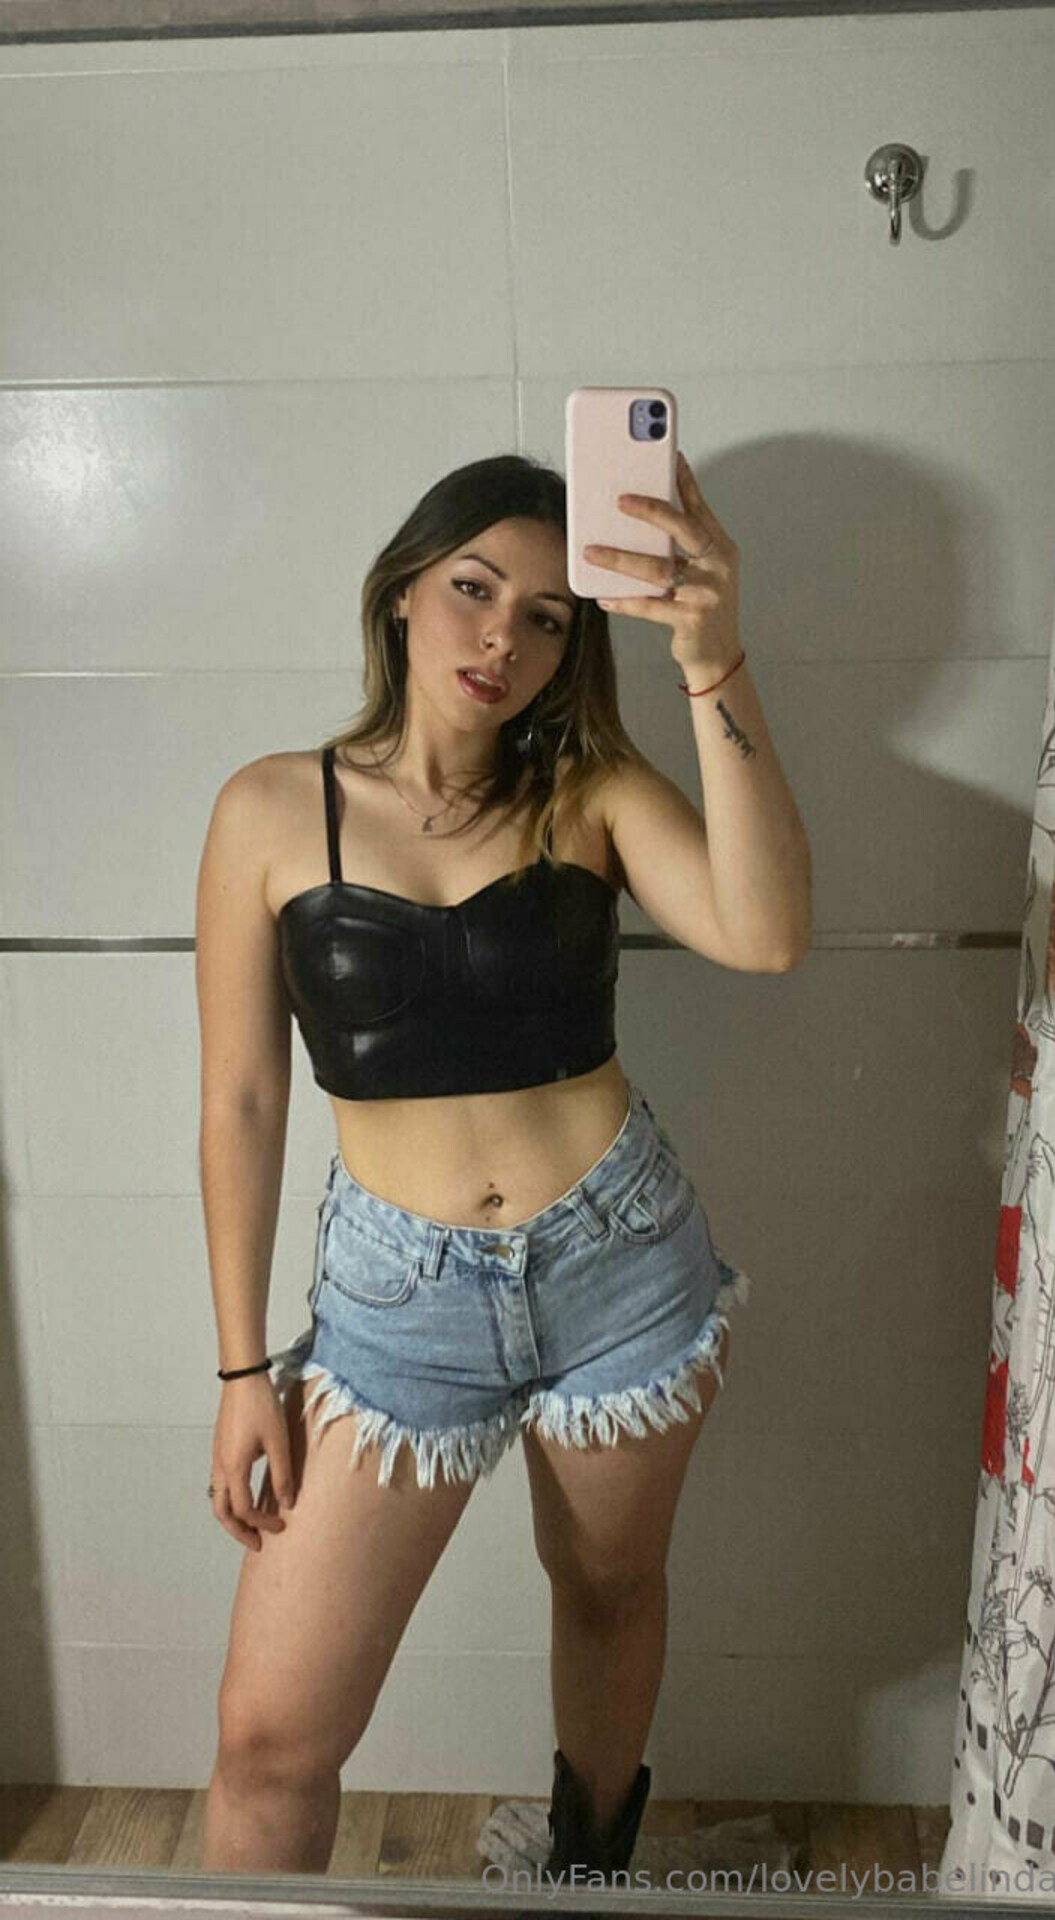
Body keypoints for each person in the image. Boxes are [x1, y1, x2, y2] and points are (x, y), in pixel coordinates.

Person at [195, 448, 811, 1883]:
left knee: (607, 1591)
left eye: (546, 616)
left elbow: (768, 930)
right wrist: (239, 1371)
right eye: (474, 589)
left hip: (619, 1266)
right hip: (394, 1307)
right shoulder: (268, 808)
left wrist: (713, 660)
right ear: (402, 592)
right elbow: (240, 1101)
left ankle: (587, 1876)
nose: (502, 639)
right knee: (271, 1742)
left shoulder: (591, 791)